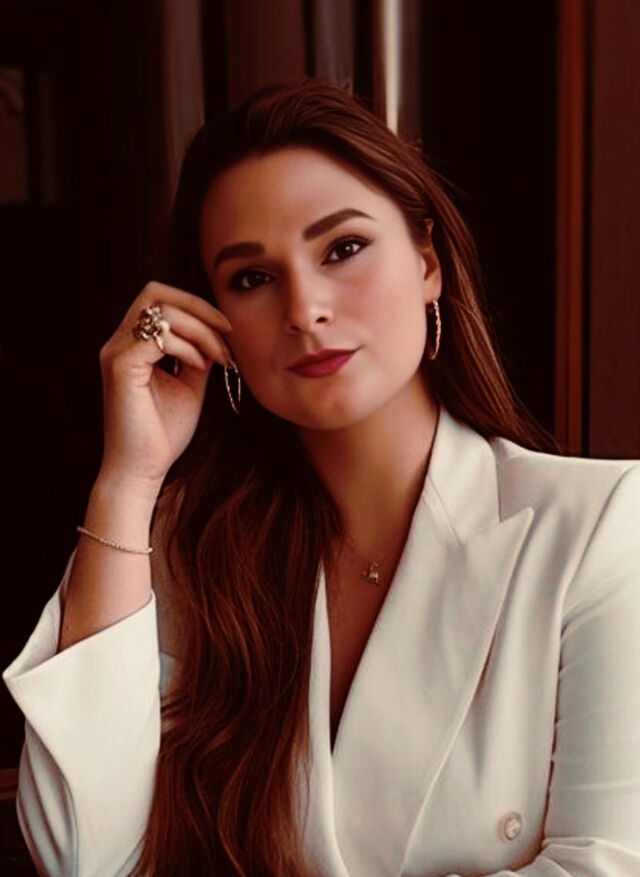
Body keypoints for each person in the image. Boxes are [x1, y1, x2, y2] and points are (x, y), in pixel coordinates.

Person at [3, 79, 639, 877]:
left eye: (342, 249)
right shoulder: (191, 548)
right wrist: (128, 480)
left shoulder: (597, 526)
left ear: (428, 262)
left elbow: (606, 864)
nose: (304, 309)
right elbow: (81, 855)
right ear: (215, 325)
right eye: (251, 277)